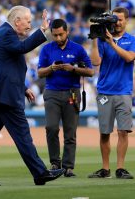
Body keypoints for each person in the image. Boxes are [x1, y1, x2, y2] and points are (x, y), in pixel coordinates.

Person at [0, 6, 65, 186]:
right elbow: (22, 48)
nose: (29, 25)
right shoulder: (6, 34)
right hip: (4, 96)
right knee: (22, 135)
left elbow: (7, 68)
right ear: (17, 21)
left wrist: (23, 87)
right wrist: (42, 30)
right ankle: (40, 173)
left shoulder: (4, 33)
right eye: (28, 21)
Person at [37, 19, 94, 177]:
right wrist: (51, 68)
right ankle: (55, 163)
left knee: (70, 132)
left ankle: (68, 167)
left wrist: (73, 69)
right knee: (51, 128)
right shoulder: (46, 49)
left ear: (67, 32)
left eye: (61, 34)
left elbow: (91, 71)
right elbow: (40, 72)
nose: (58, 38)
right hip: (52, 93)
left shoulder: (78, 49)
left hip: (72, 92)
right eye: (55, 35)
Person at [89, 7, 135, 179]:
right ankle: (105, 168)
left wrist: (111, 43)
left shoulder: (131, 39)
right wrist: (95, 39)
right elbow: (95, 62)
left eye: (121, 19)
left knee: (123, 131)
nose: (117, 22)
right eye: (115, 19)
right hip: (105, 91)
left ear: (126, 21)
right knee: (104, 132)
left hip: (123, 91)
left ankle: (120, 168)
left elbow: (129, 58)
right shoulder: (102, 40)